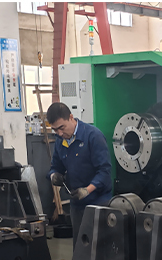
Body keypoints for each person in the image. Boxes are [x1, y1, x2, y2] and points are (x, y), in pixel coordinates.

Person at [46, 102, 113, 244]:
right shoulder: (60, 141)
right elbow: (55, 166)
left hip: (98, 202)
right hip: (77, 203)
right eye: (55, 130)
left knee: (98, 247)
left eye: (62, 128)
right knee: (80, 247)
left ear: (71, 117)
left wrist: (87, 190)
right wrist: (54, 175)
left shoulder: (93, 136)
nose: (59, 133)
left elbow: (104, 171)